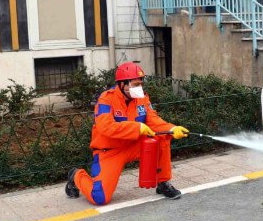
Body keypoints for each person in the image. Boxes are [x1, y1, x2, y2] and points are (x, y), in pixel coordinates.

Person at [66, 62, 189, 205]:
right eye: (135, 84)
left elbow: (153, 120)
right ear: (122, 84)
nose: (140, 88)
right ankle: (76, 175)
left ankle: (163, 183)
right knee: (99, 198)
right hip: (110, 151)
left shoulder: (142, 97)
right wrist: (136, 128)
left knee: (161, 138)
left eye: (141, 84)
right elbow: (105, 127)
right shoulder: (106, 99)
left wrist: (172, 129)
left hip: (134, 145)